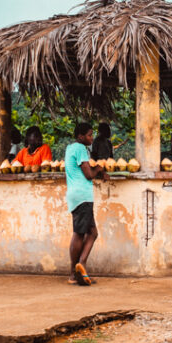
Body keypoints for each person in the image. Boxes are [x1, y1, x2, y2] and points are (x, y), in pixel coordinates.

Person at [65, 122, 107, 286]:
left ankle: (78, 269)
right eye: (89, 135)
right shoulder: (81, 149)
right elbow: (89, 174)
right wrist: (99, 168)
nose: (92, 138)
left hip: (76, 195)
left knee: (92, 233)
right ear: (80, 136)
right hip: (82, 196)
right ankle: (76, 270)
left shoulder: (70, 148)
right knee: (79, 234)